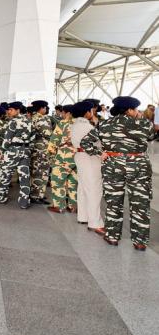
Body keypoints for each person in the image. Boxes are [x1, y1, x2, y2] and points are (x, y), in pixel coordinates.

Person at [81, 96, 158, 250]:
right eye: (135, 109)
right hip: (138, 167)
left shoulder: (105, 124)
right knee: (140, 203)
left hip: (112, 165)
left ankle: (112, 236)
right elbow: (152, 136)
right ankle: (140, 241)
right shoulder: (143, 124)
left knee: (113, 202)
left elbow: (85, 142)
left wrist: (99, 153)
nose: (137, 112)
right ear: (129, 109)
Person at [70, 101, 105, 235]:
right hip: (89, 158)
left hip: (80, 156)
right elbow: (99, 142)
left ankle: (83, 216)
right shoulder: (86, 127)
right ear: (86, 112)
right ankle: (95, 223)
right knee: (94, 190)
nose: (93, 113)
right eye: (91, 110)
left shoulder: (77, 124)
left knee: (83, 188)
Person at [0, 102, 33, 208]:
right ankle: (24, 203)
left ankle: (2, 198)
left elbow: (7, 139)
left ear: (18, 110)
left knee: (5, 174)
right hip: (25, 151)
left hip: (12, 152)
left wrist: (1, 152)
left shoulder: (13, 122)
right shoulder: (29, 121)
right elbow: (33, 137)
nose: (9, 112)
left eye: (11, 110)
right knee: (24, 177)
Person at [47, 104, 78, 214]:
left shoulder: (64, 123)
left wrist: (51, 154)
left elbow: (54, 141)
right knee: (73, 182)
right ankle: (73, 207)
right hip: (79, 157)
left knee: (57, 181)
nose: (63, 115)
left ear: (68, 113)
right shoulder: (83, 123)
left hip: (64, 157)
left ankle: (59, 206)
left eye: (63, 113)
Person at [29, 100, 53, 205]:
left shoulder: (33, 117)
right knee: (40, 172)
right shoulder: (40, 119)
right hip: (41, 149)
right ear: (42, 108)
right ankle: (36, 196)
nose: (46, 110)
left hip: (37, 149)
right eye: (45, 108)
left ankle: (39, 194)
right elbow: (48, 133)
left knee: (38, 172)